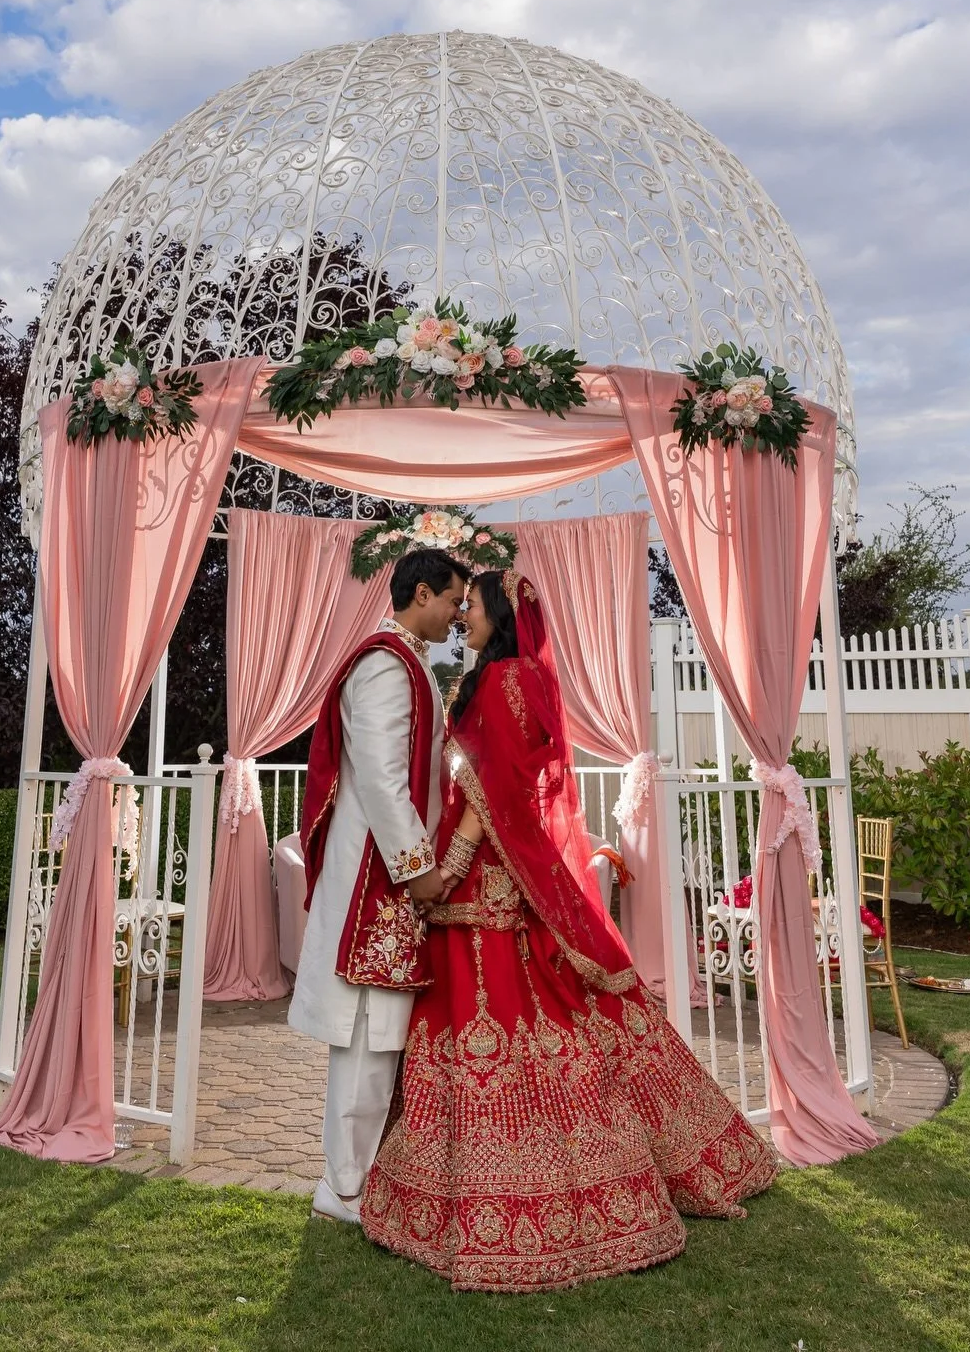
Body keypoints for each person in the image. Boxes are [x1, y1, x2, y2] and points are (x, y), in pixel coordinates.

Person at [361, 567, 778, 1292]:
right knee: (559, 1024)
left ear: (499, 613)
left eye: (474, 606)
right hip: (516, 886)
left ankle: (497, 1195)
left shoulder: (497, 683)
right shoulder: (534, 680)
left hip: (479, 888)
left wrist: (444, 873)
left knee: (486, 1031)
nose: (466, 617)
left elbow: (489, 791)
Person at [289, 545, 470, 1225]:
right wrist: (419, 868)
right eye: (452, 600)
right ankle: (342, 1189)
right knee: (365, 1038)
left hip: (385, 878)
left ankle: (358, 1178)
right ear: (420, 593)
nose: (457, 615)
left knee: (380, 1038)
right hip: (379, 879)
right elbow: (383, 780)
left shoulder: (407, 663)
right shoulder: (387, 666)